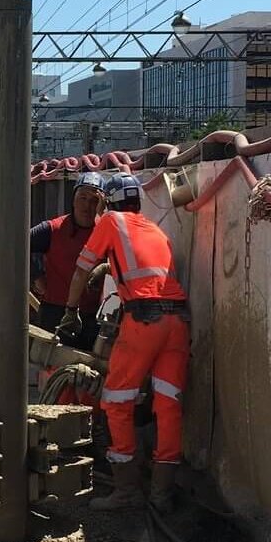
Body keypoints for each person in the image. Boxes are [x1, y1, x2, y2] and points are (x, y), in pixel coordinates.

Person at [58, 172, 189, 512]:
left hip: (143, 322)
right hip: (177, 322)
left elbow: (80, 269)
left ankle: (127, 489)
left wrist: (70, 311)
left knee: (116, 401)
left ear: (107, 202)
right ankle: (162, 494)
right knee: (168, 404)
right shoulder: (157, 231)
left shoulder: (111, 221)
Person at [30, 172, 106, 350]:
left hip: (92, 317)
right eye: (83, 198)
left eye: (94, 200)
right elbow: (18, 246)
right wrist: (36, 275)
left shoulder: (107, 232)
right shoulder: (53, 229)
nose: (87, 206)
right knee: (50, 369)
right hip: (55, 313)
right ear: (73, 199)